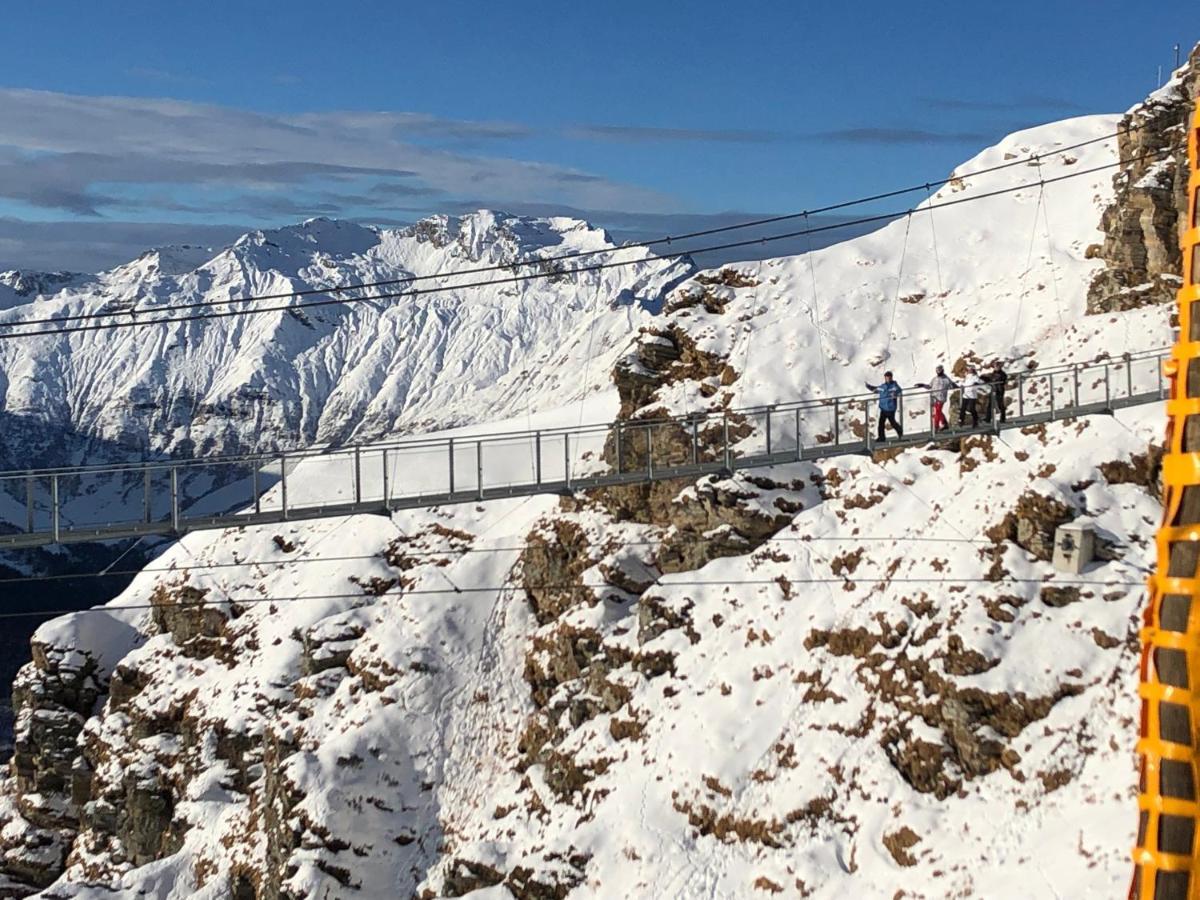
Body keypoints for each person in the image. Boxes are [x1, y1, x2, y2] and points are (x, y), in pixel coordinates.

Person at [914, 365, 957, 433]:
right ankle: (944, 423)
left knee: (937, 412)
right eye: (937, 371)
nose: (938, 372)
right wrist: (922, 385)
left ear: (942, 370)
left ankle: (936, 427)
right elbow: (929, 386)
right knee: (938, 411)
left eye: (939, 370)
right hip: (934, 397)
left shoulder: (946, 379)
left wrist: (956, 386)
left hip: (941, 398)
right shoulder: (935, 379)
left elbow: (952, 385)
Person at [865, 371, 903, 442]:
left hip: (891, 408)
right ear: (885, 378)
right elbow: (875, 389)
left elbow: (899, 390)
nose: (888, 378)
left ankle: (899, 431)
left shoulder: (894, 386)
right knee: (881, 423)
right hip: (883, 408)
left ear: (891, 377)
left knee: (892, 422)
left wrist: (895, 394)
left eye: (889, 377)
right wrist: (868, 386)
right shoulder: (883, 386)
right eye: (887, 377)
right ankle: (882, 437)